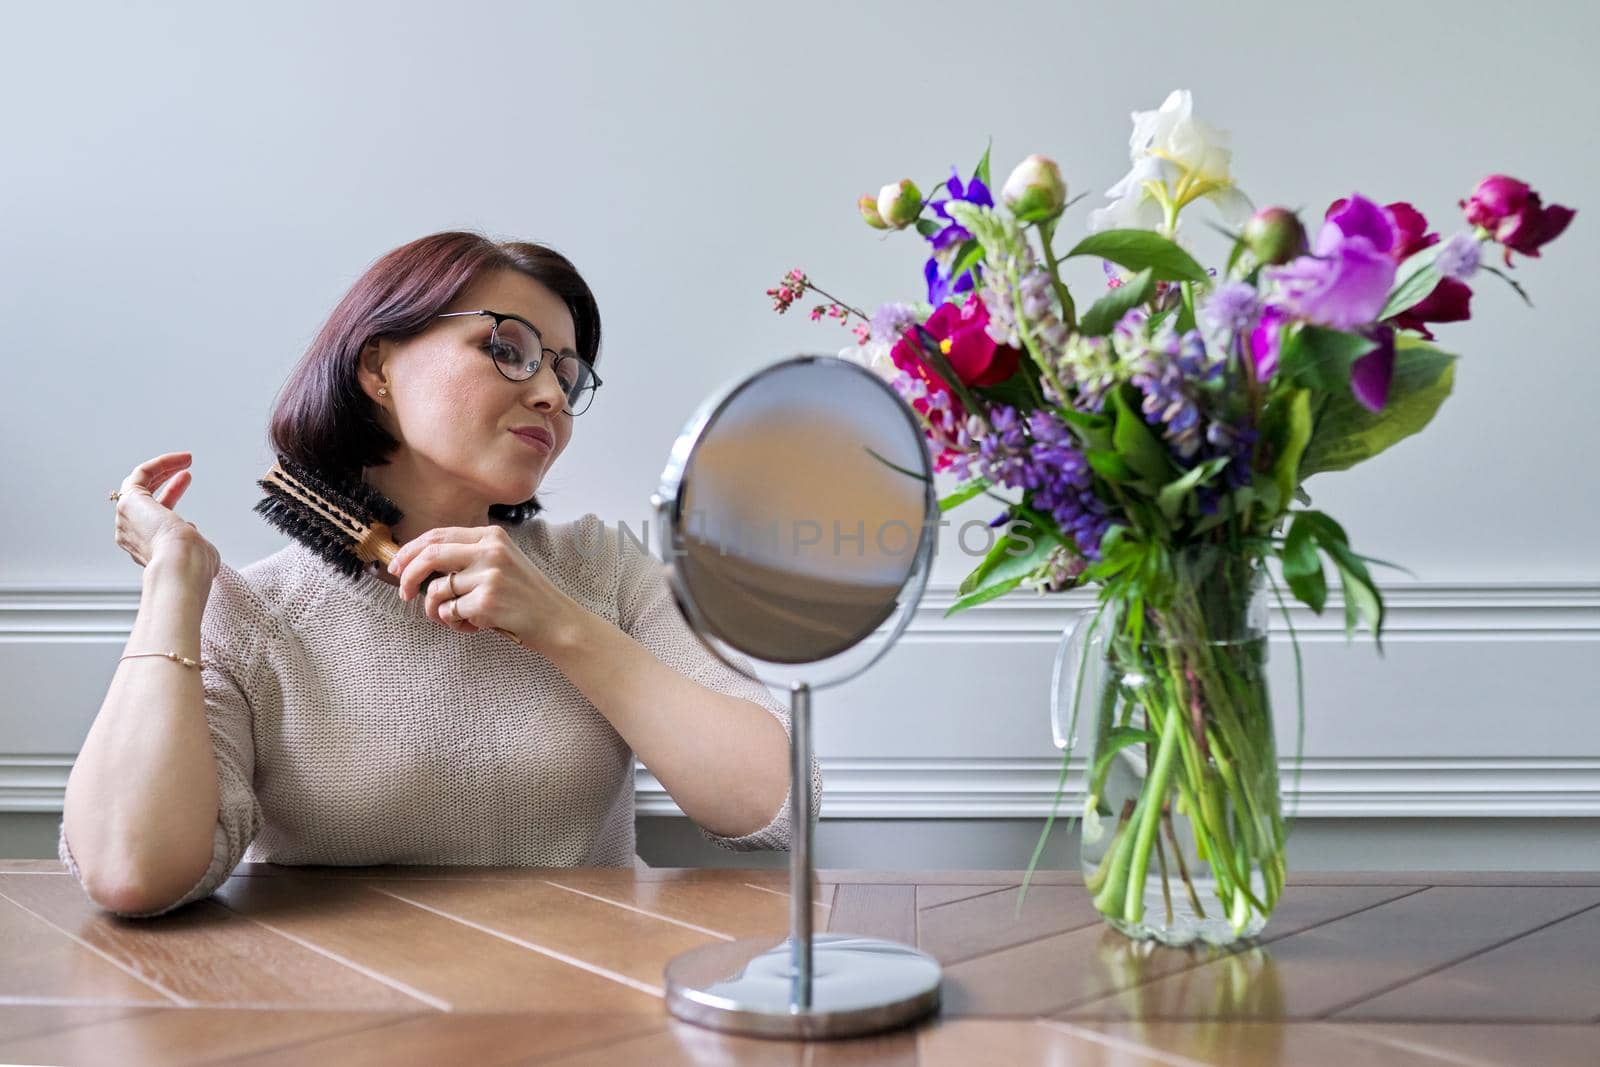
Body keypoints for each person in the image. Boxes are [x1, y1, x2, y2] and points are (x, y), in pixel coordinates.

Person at [61, 231, 822, 919]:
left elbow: (778, 803)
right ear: (377, 366)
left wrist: (558, 624)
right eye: (510, 347)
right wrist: (173, 581)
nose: (553, 393)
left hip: (592, 1007)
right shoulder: (255, 613)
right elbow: (132, 871)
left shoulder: (602, 568)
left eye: (566, 371)